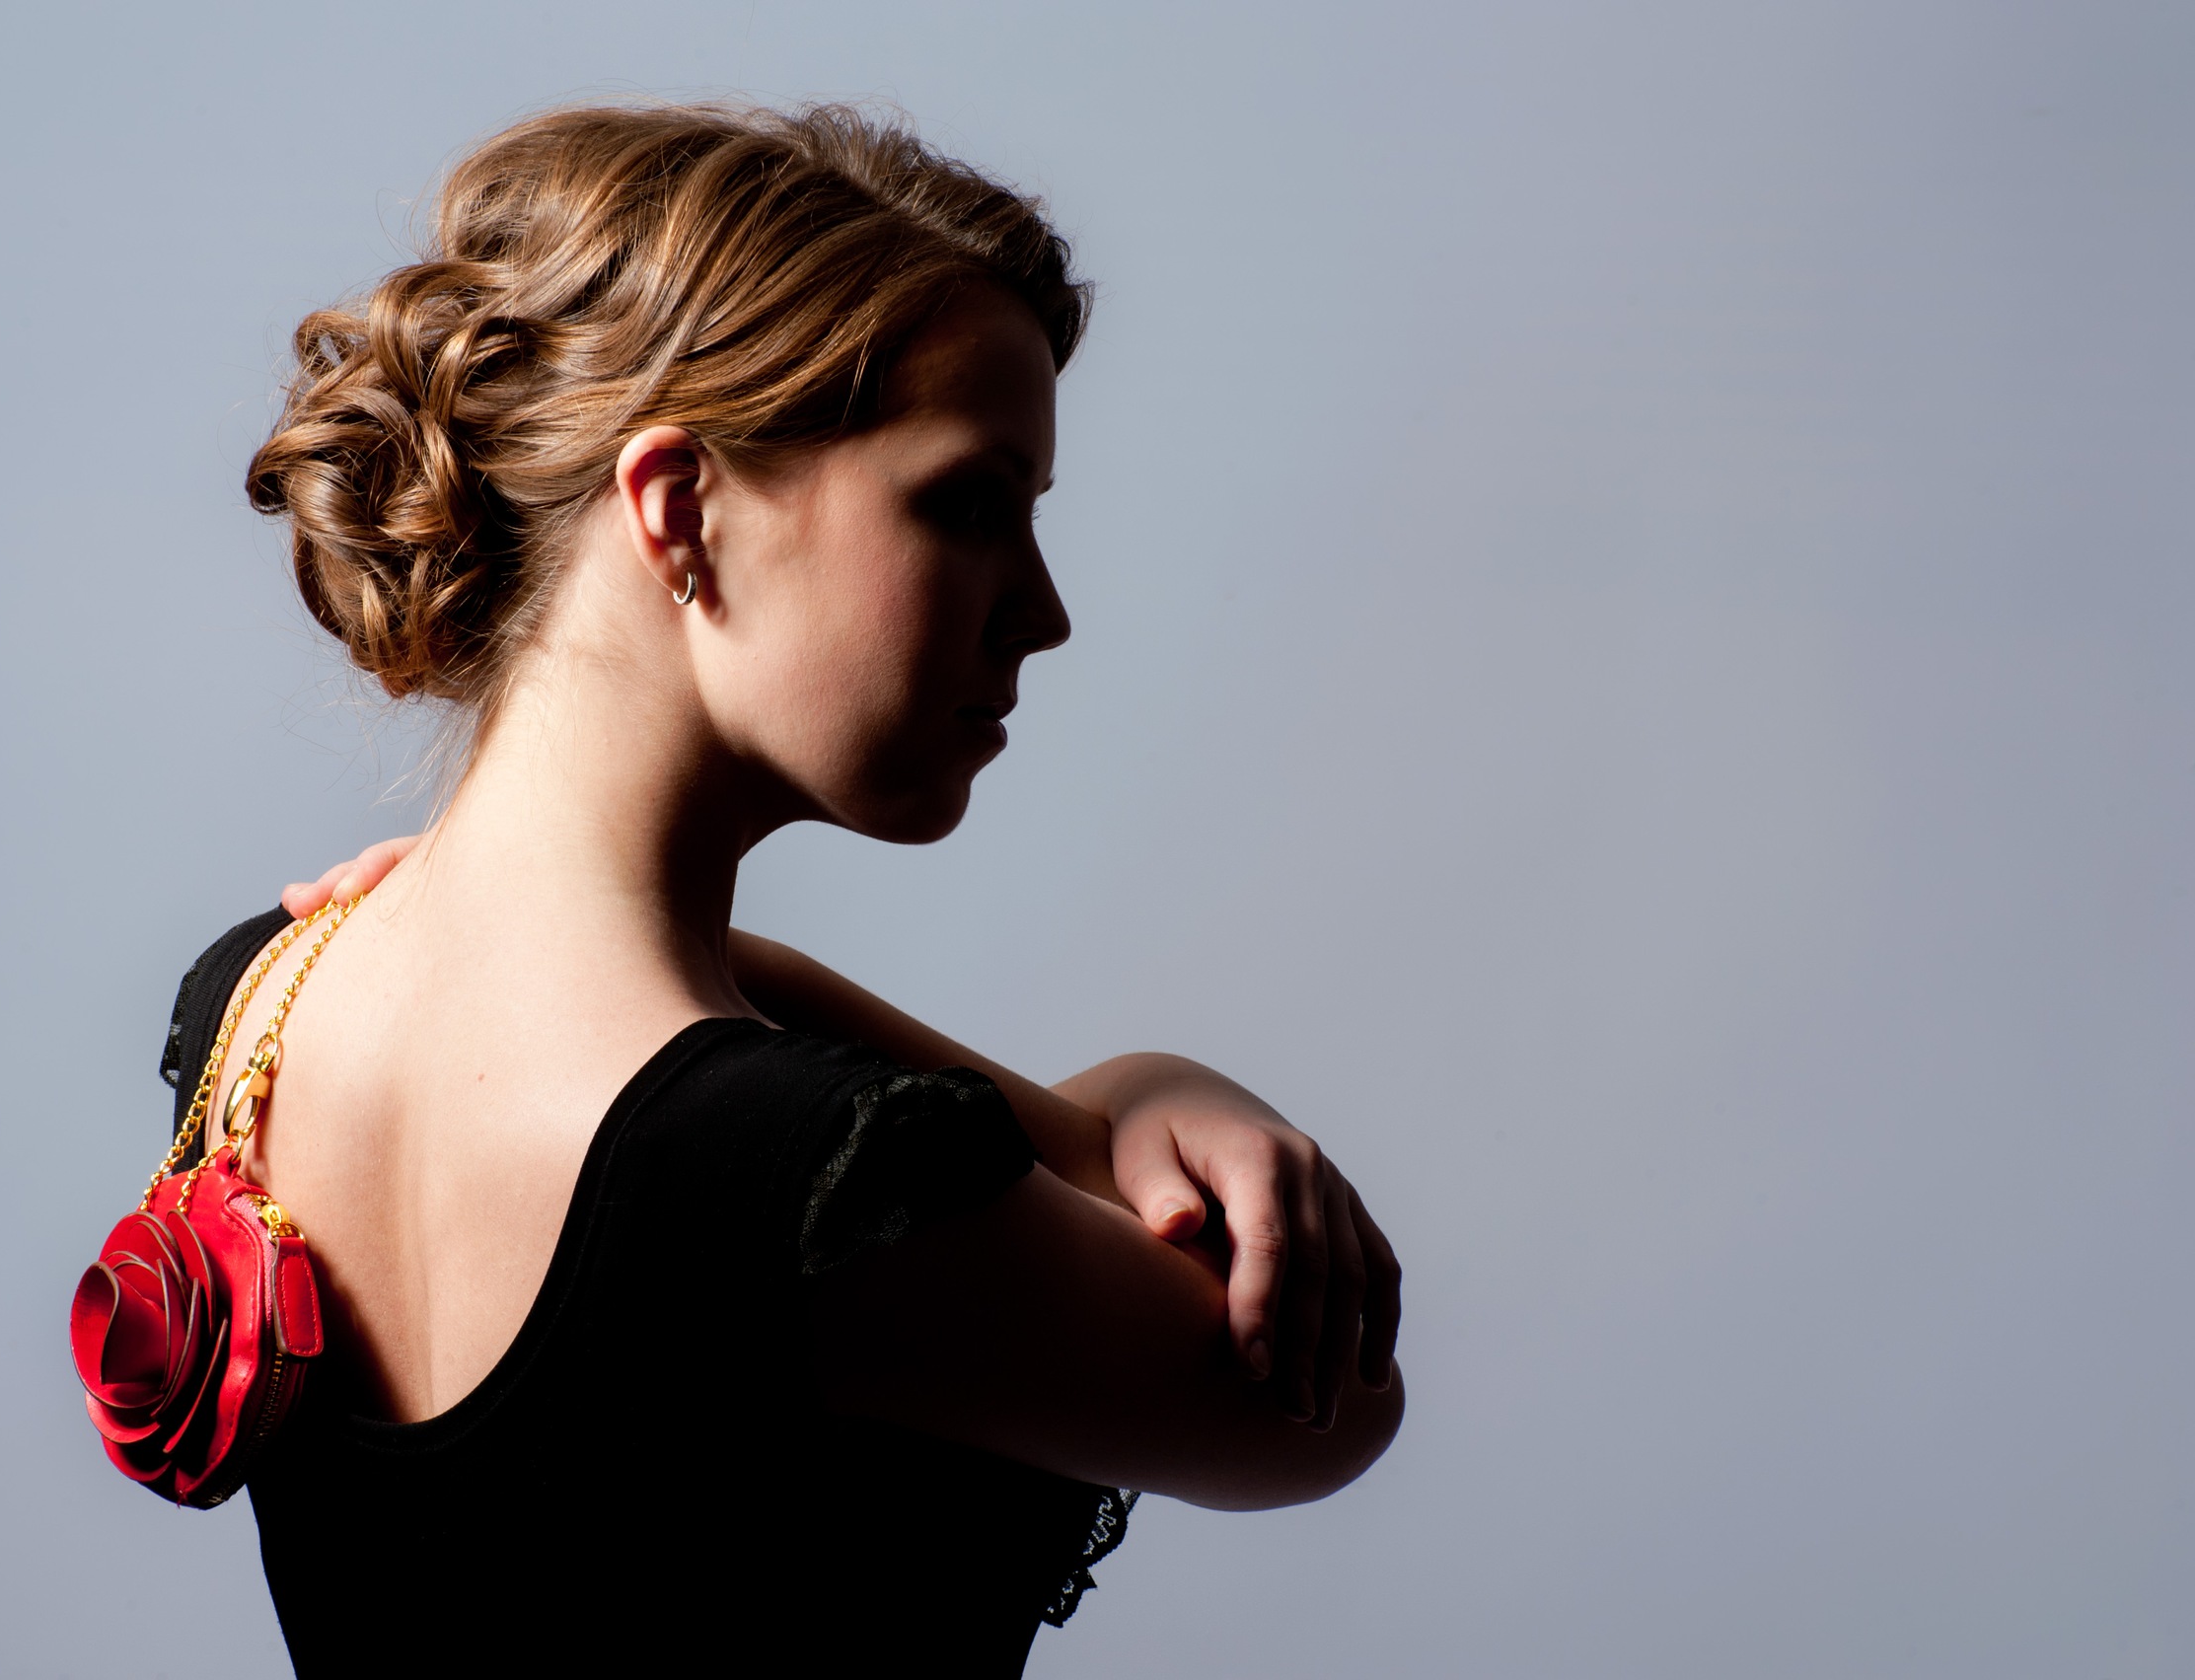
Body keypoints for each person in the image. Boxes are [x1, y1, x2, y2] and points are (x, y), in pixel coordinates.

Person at [163, 102, 1402, 1675]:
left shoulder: (257, 1001)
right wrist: (1145, 1090)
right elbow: (1328, 1397)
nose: (1043, 613)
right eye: (971, 503)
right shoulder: (814, 1182)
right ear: (680, 510)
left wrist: (765, 984)